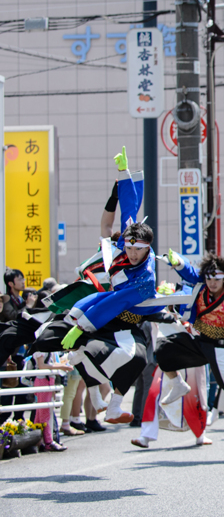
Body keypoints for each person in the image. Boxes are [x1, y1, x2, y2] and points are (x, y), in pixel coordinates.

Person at [50, 148, 161, 426]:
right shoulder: (116, 246)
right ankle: (99, 401)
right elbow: (120, 213)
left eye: (137, 248)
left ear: (146, 248)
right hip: (103, 307)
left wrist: (85, 324)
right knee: (80, 346)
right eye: (128, 245)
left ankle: (110, 405)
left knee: (134, 359)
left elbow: (118, 301)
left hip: (122, 314)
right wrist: (123, 176)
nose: (131, 251)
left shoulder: (146, 276)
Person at [140, 252, 224, 447]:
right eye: (209, 278)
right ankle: (177, 383)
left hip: (220, 346)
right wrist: (178, 263)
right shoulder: (199, 288)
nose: (212, 283)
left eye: (217, 279)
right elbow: (190, 273)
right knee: (163, 350)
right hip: (198, 341)